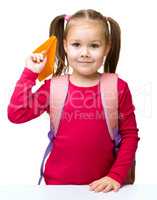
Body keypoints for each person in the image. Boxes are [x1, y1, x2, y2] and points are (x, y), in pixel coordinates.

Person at [8, 9, 139, 193]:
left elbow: (130, 135)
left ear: (107, 48)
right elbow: (16, 114)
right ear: (65, 46)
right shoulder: (53, 87)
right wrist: (30, 72)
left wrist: (115, 175)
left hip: (105, 188)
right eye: (76, 44)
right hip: (57, 188)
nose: (84, 53)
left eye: (94, 46)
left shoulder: (118, 87)